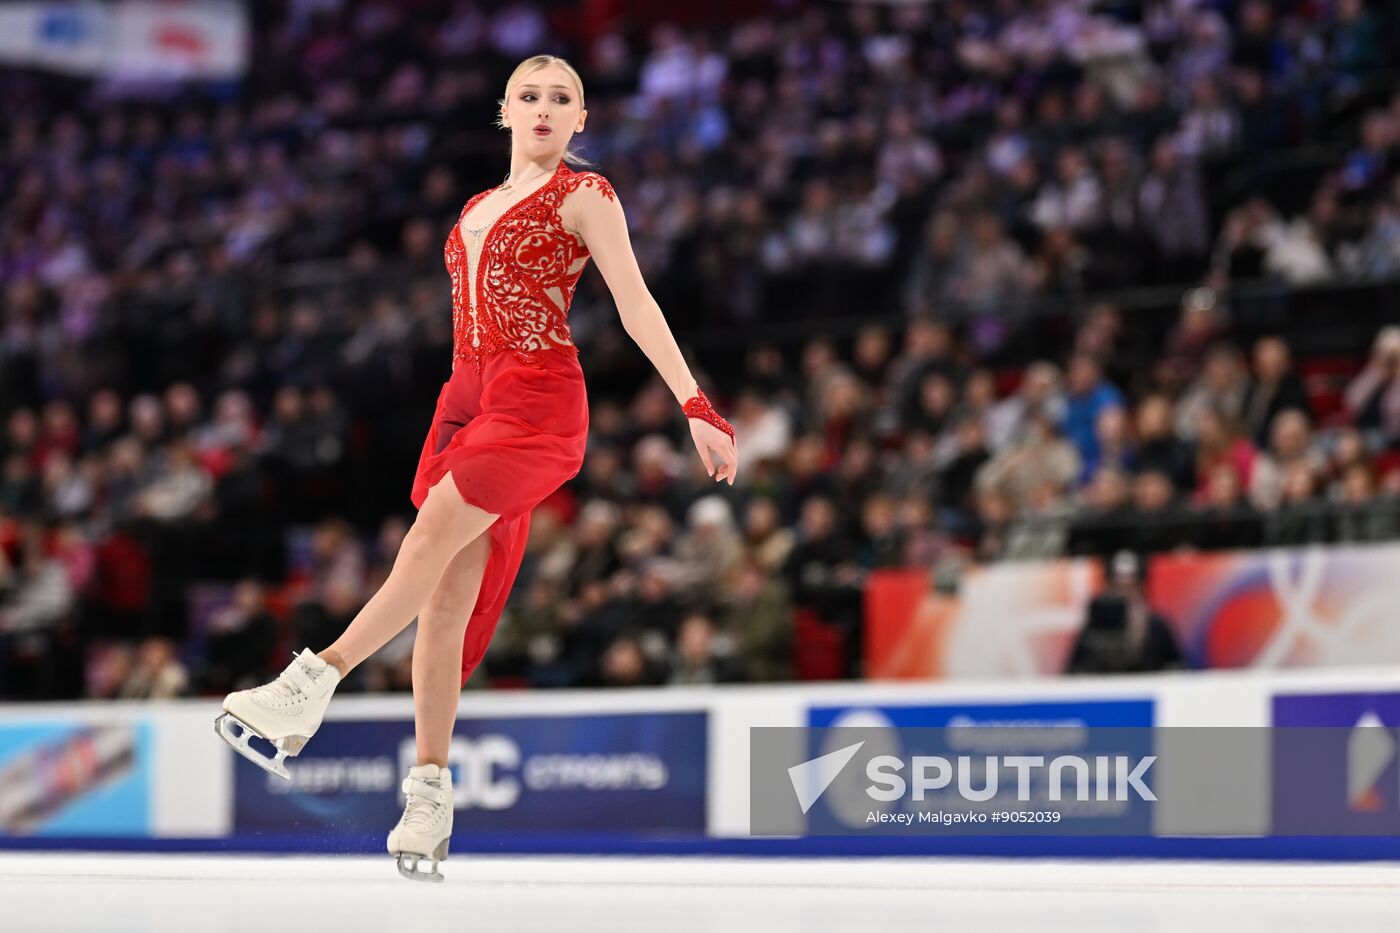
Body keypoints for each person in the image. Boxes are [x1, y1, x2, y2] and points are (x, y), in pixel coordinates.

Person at [214, 54, 739, 882]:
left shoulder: (586, 195)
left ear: (580, 120)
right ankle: (428, 795)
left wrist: (694, 404)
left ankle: (311, 680)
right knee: (445, 602)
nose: (543, 107)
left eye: (560, 97)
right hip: (469, 395)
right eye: (528, 95)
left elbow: (636, 302)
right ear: (504, 111)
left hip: (536, 400)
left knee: (425, 539)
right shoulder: (472, 208)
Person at [1064, 551, 1182, 674]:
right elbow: (1075, 670)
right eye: (1118, 586)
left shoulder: (1157, 624)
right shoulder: (1096, 624)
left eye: (1131, 586)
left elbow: (1176, 667)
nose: (1125, 593)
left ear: (1141, 587)